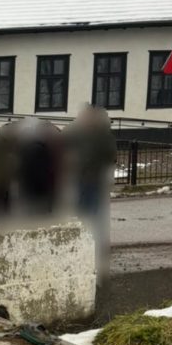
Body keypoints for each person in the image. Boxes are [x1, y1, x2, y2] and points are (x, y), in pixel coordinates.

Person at [65, 105, 117, 287]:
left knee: (91, 217)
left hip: (93, 182)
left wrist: (81, 160)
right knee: (84, 215)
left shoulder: (102, 138)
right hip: (83, 181)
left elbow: (107, 158)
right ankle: (86, 251)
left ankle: (94, 258)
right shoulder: (81, 134)